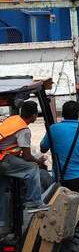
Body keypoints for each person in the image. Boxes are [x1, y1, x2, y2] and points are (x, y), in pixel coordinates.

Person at [0, 100, 47, 235]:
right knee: (32, 169)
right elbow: (27, 156)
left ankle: (2, 225)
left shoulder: (13, 120)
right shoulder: (24, 130)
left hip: (3, 156)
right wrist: (38, 161)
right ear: (33, 116)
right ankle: (34, 202)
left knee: (3, 191)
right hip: (3, 159)